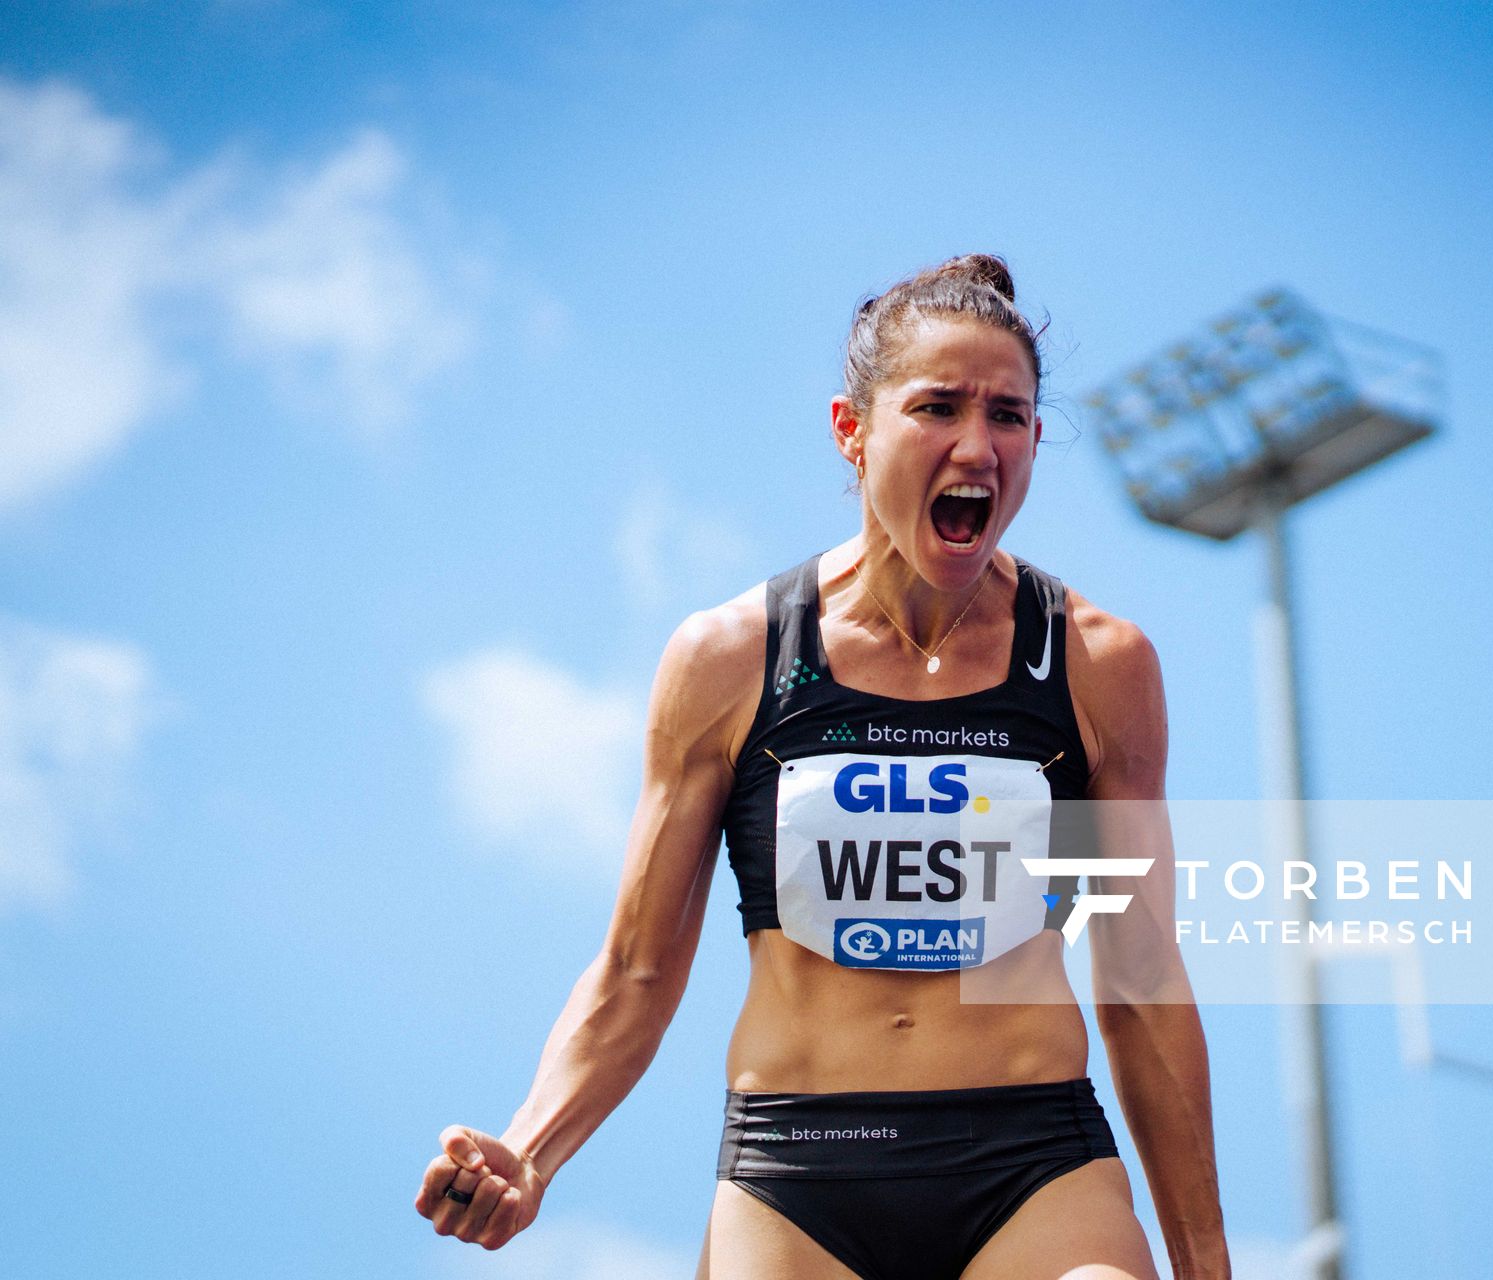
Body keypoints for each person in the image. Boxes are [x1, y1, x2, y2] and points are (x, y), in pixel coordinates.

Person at [415, 254, 1230, 1279]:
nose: (978, 445)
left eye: (1011, 416)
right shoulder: (728, 658)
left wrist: (1209, 1266)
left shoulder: (1099, 664)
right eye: (937, 407)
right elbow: (634, 971)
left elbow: (1142, 981)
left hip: (1036, 1163)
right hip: (797, 1172)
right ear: (852, 430)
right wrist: (528, 1151)